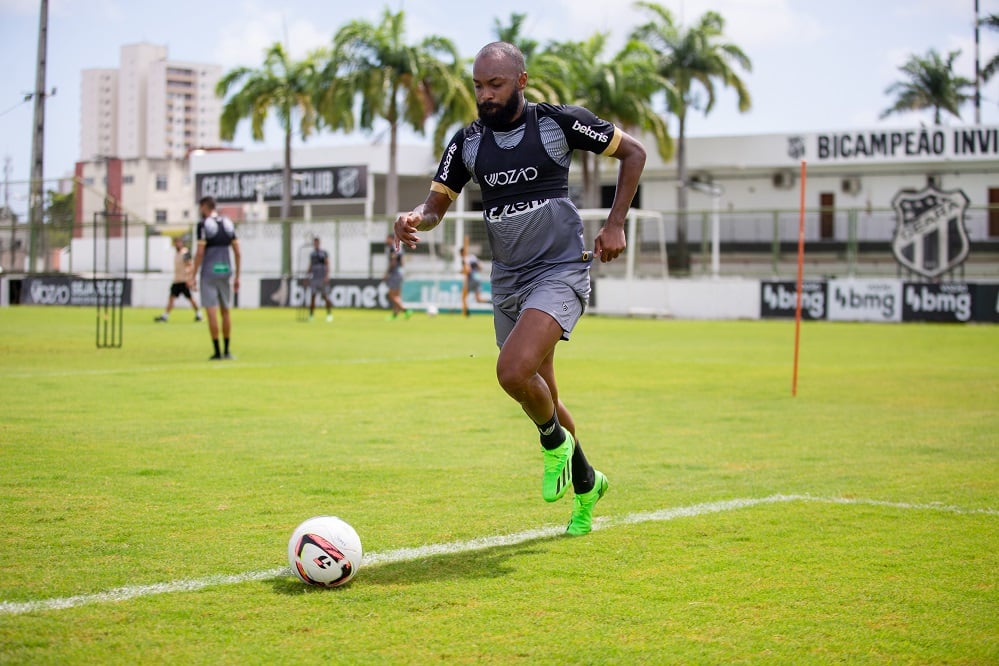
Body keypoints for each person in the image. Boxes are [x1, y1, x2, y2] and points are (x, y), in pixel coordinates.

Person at [394, 42, 646, 536]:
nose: (485, 96)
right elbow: (435, 207)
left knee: (512, 371)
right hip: (508, 279)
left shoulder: (557, 123)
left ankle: (553, 445)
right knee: (543, 392)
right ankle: (588, 483)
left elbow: (633, 152)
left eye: (496, 85)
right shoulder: (466, 143)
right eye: (478, 86)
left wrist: (616, 223)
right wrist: (413, 220)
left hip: (558, 271)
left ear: (521, 82)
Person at [192, 196, 241, 360]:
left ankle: (217, 351)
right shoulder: (227, 224)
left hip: (209, 272)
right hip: (225, 270)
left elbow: (199, 253)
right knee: (226, 311)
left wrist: (192, 275)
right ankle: (227, 350)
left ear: (204, 206)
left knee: (211, 311)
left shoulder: (203, 225)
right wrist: (237, 275)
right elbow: (237, 252)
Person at [154, 236, 202, 322]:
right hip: (177, 280)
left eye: (179, 242)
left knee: (190, 298)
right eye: (176, 242)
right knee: (171, 298)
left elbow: (190, 266)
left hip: (184, 280)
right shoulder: (176, 253)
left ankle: (198, 314)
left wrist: (189, 279)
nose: (177, 244)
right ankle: (165, 316)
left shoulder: (185, 253)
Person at [306, 237, 334, 322]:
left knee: (325, 296)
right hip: (314, 278)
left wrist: (327, 276)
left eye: (317, 243)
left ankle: (329, 314)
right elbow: (310, 265)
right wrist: (307, 276)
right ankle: (311, 315)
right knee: (313, 297)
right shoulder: (312, 254)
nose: (316, 244)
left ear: (319, 243)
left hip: (322, 278)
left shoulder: (324, 253)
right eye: (314, 243)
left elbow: (327, 264)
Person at [383, 233, 411, 319]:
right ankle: (395, 315)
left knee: (391, 295)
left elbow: (393, 261)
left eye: (387, 238)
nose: (385, 241)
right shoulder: (399, 248)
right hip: (400, 273)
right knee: (397, 295)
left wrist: (387, 273)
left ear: (391, 239)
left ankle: (405, 310)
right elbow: (402, 262)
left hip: (395, 273)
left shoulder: (392, 248)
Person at [460, 245, 490, 317]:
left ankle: (466, 313)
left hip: (471, 278)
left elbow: (468, 270)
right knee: (478, 299)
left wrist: (462, 272)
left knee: (463, 297)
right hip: (478, 277)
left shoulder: (465, 259)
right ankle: (492, 302)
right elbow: (480, 267)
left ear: (461, 253)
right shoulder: (473, 257)